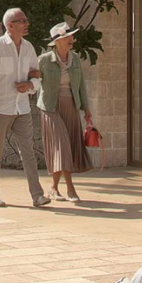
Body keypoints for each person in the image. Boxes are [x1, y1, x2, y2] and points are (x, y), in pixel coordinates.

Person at [0, 7, 48, 209]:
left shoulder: (28, 47)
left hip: (22, 109)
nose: (27, 23)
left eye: (26, 20)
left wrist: (30, 86)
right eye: (22, 20)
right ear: (10, 25)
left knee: (29, 153)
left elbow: (36, 74)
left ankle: (37, 195)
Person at [36, 22, 94, 203]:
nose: (72, 40)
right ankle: (70, 188)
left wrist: (86, 109)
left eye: (71, 36)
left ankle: (53, 188)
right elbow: (34, 81)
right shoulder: (44, 60)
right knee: (62, 146)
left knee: (66, 146)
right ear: (58, 41)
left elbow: (81, 85)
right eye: (68, 37)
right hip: (51, 107)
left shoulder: (75, 58)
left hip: (71, 106)